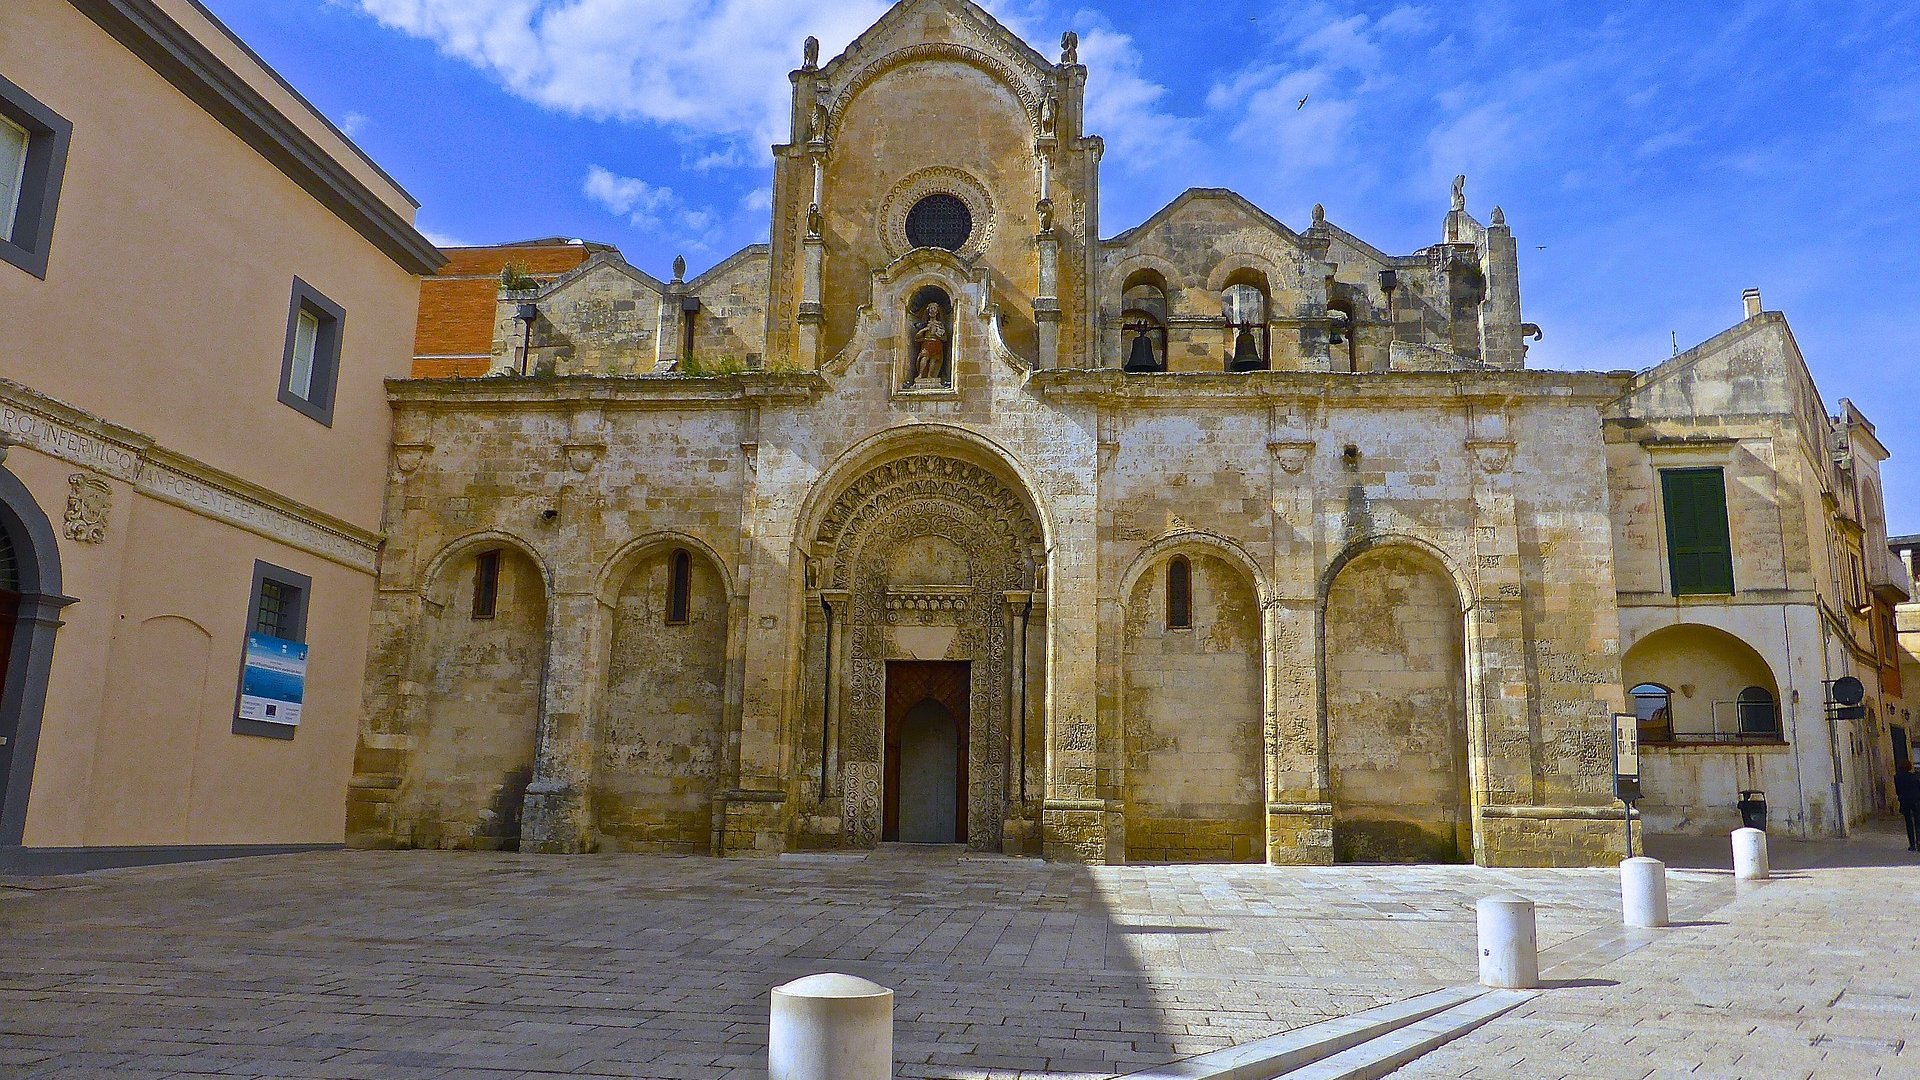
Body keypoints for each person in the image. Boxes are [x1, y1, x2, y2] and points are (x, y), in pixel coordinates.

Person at [1897, 763, 1920, 852]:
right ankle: (1919, 842)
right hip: (1916, 801)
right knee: (1918, 823)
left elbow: (1898, 791)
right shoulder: (1915, 777)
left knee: (1909, 823)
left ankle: (1912, 844)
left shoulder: (1897, 778)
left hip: (1905, 802)